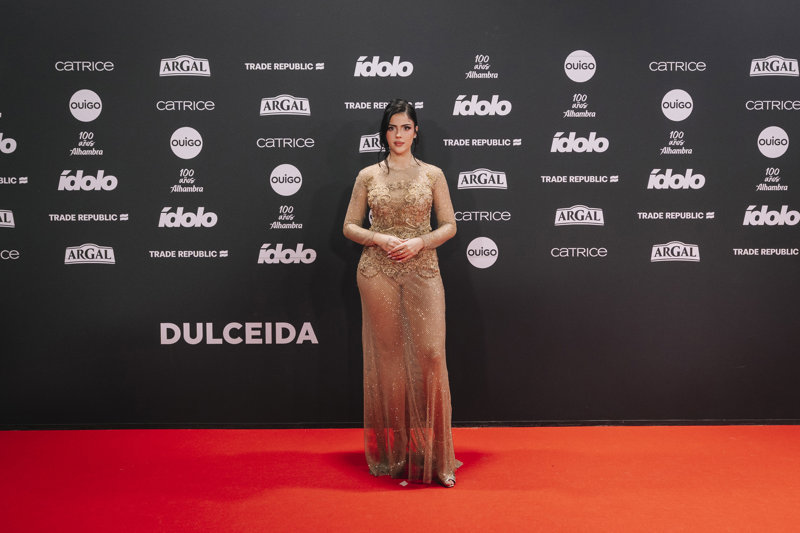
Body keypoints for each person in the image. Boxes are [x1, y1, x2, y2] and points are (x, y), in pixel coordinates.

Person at [343, 98, 461, 487]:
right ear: (385, 132)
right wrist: (379, 238)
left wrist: (420, 243)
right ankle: (396, 454)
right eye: (392, 128)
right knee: (390, 363)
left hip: (423, 269)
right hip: (376, 271)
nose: (398, 135)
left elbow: (450, 225)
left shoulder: (432, 174)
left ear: (415, 132)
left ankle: (437, 457)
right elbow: (349, 226)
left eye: (405, 128)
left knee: (431, 354)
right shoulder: (367, 176)